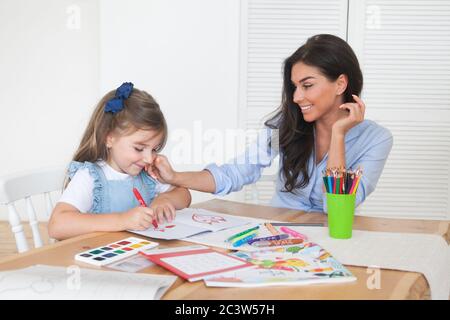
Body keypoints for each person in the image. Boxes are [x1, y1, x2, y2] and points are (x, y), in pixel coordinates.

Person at [145, 34, 393, 213]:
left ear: (340, 84)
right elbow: (238, 172)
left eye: (307, 85)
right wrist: (175, 177)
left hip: (333, 237)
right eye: (294, 87)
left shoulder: (377, 139)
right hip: (281, 235)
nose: (296, 97)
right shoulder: (287, 123)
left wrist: (339, 135)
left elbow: (337, 207)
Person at [48, 82, 191, 240]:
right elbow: (57, 225)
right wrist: (122, 220)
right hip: (99, 257)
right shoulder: (91, 177)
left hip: (139, 255)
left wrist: (164, 199)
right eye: (139, 148)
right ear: (109, 138)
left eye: (154, 149)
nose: (149, 158)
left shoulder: (148, 173)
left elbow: (184, 195)